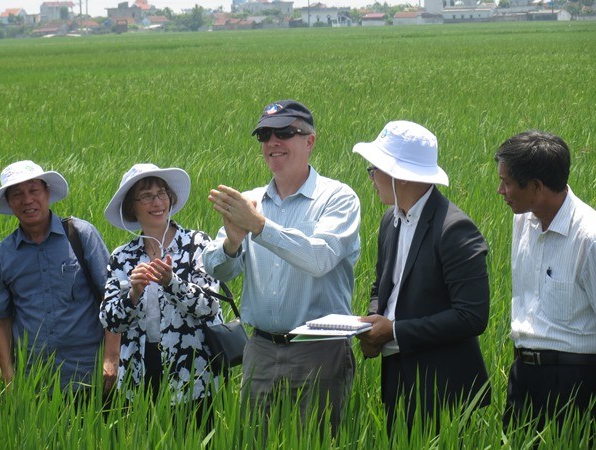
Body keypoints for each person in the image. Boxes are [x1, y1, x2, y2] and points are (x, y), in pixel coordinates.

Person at [202, 100, 361, 433]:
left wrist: (259, 227)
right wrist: (231, 243)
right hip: (259, 350)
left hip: (319, 351)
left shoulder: (337, 198)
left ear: (309, 141)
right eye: (264, 134)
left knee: (318, 439)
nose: (273, 142)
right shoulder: (250, 200)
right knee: (253, 439)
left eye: (286, 132)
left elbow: (320, 258)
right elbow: (218, 270)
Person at [352, 121, 491, 433]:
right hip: (398, 379)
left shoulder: (454, 229)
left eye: (374, 169)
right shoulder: (391, 219)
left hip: (443, 387)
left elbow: (472, 316)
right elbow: (381, 285)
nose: (371, 177)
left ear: (399, 175)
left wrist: (395, 331)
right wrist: (374, 322)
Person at [99, 163, 223, 420]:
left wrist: (172, 283)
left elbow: (210, 305)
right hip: (139, 370)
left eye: (161, 193)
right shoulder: (122, 257)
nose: (156, 202)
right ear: (132, 206)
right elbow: (110, 319)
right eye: (146, 196)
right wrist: (132, 294)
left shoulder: (197, 244)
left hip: (193, 370)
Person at [495, 130, 596, 431]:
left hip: (574, 384)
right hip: (523, 376)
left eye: (507, 182)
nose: (501, 190)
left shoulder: (588, 238)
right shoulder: (522, 220)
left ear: (537, 187)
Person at [0, 160, 119, 396]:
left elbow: (111, 298)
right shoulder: (3, 254)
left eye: (34, 190)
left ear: (47, 193)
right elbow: (1, 317)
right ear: (9, 203)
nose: (27, 200)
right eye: (17, 194)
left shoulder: (80, 234)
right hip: (34, 378)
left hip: (89, 373)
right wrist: (8, 374)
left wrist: (112, 357)